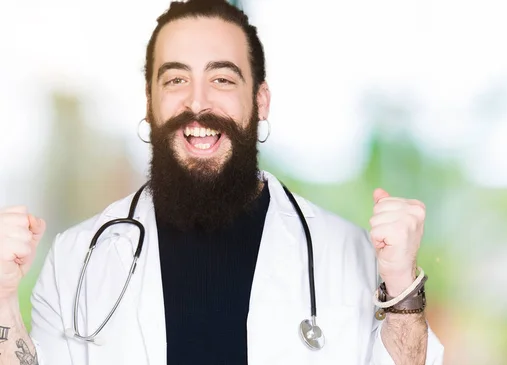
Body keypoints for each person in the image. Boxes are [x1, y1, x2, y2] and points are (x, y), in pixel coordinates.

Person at [0, 1, 444, 364]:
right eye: (175, 79)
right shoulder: (78, 257)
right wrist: (1, 296)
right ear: (150, 103)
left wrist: (401, 278)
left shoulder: (346, 253)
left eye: (222, 78)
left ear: (260, 100)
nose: (197, 102)